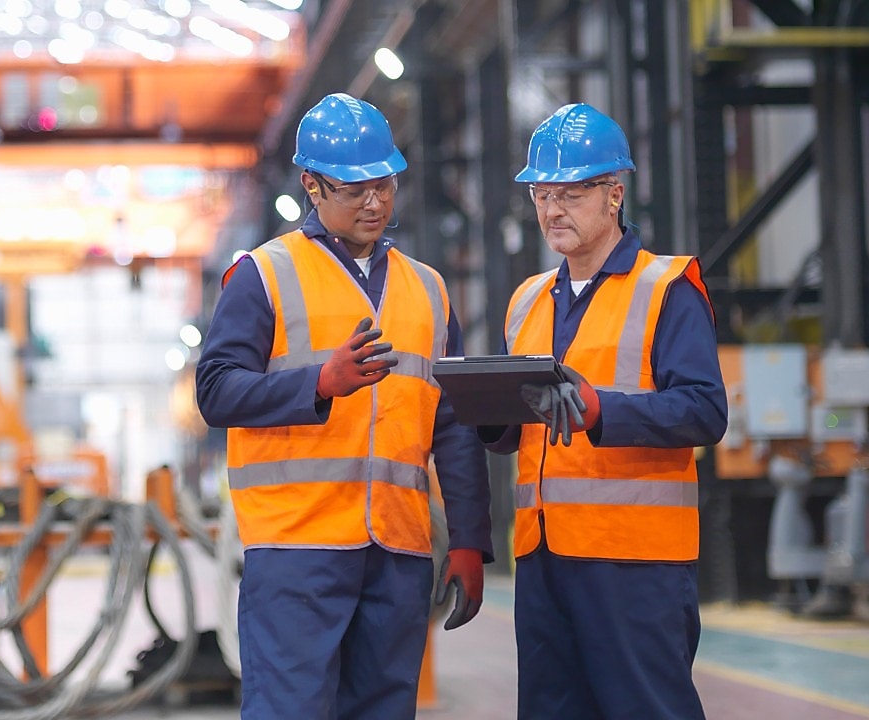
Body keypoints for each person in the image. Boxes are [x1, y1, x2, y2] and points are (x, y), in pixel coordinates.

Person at [195, 92, 493, 719]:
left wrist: (468, 538)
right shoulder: (263, 275)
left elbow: (454, 423)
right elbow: (216, 391)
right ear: (311, 185)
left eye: (383, 184)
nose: (375, 202)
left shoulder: (428, 290)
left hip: (398, 550)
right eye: (354, 189)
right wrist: (316, 385)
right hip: (296, 550)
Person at [482, 102, 729, 720]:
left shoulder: (667, 290)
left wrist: (603, 411)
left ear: (614, 194)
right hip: (542, 560)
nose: (551, 210)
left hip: (633, 562)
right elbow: (525, 427)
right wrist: (490, 414)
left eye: (569, 192)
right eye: (541, 193)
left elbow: (704, 411)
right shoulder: (527, 300)